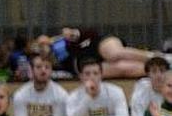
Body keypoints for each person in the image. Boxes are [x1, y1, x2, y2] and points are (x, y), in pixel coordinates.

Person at [37, 28, 172, 80]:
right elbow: (43, 63)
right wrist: (43, 48)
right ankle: (163, 70)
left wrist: (72, 34)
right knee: (121, 68)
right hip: (83, 64)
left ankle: (163, 58)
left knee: (115, 54)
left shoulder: (60, 39)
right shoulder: (46, 60)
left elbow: (88, 34)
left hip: (95, 45)